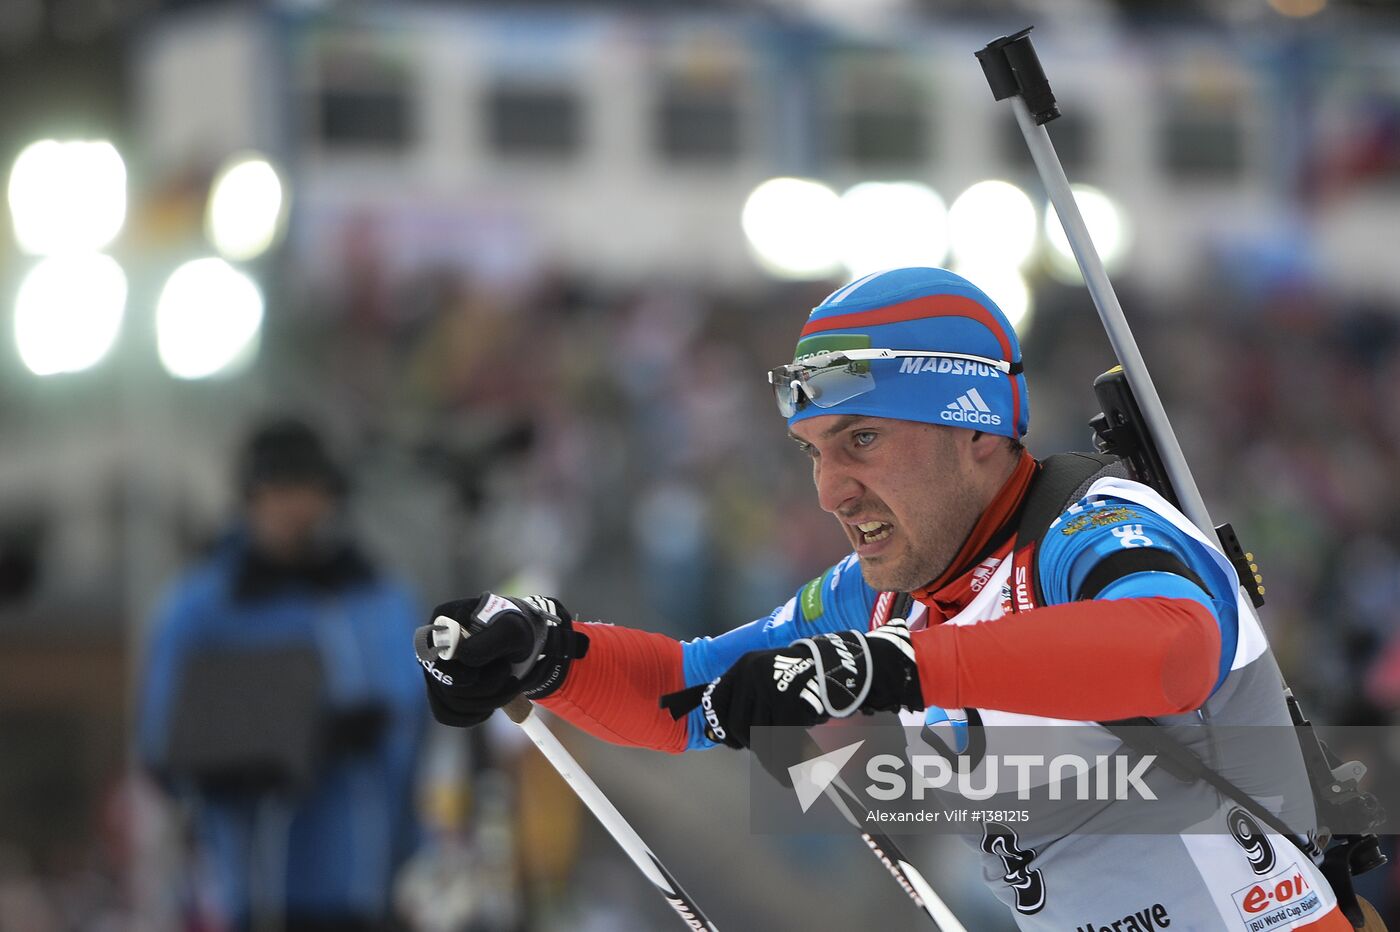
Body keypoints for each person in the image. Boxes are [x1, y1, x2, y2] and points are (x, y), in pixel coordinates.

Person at [415, 268, 1355, 930]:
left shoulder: (1096, 528)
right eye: (814, 452)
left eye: (860, 440)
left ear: (974, 430)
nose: (829, 491)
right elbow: (688, 690)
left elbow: (1172, 649)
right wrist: (548, 653)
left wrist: (897, 668)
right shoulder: (877, 598)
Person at [139, 417, 426, 932]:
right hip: (256, 883)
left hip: (367, 880)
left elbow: (416, 722)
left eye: (307, 489)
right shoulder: (204, 606)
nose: (294, 509)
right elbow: (164, 743)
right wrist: (279, 738)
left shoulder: (377, 599)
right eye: (277, 489)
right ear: (250, 498)